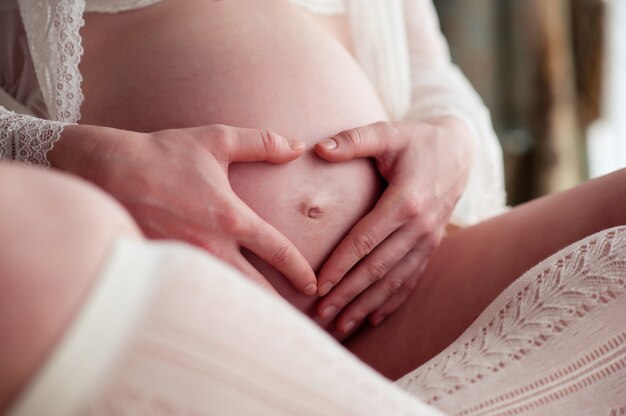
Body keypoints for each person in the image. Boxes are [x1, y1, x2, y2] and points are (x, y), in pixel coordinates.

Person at [1, 0, 625, 414]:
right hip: (192, 298)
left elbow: (433, 74)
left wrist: (450, 145)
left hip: (401, 300)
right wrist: (83, 156)